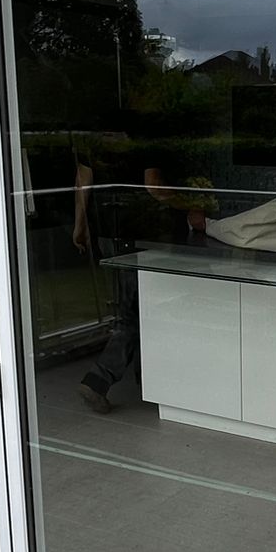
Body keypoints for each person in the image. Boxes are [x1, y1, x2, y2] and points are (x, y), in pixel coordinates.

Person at [71, 138, 194, 413]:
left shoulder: (99, 133)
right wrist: (192, 204)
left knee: (133, 309)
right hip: (137, 237)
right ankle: (98, 380)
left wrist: (80, 225)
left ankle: (145, 382)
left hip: (107, 233)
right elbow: (155, 188)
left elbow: (82, 181)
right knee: (138, 313)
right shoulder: (147, 135)